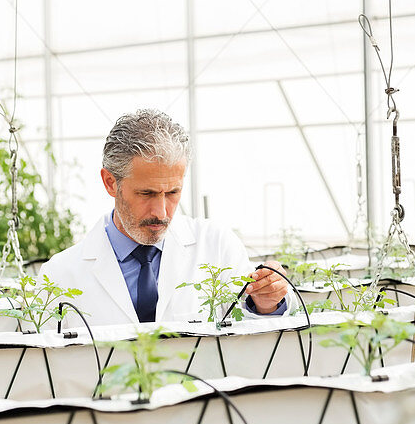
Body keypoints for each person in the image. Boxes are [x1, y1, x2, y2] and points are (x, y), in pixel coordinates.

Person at [40, 108, 289, 327]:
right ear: (110, 183)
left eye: (172, 192)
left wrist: (266, 302)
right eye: (146, 193)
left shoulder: (216, 245)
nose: (161, 212)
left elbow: (253, 339)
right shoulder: (59, 275)